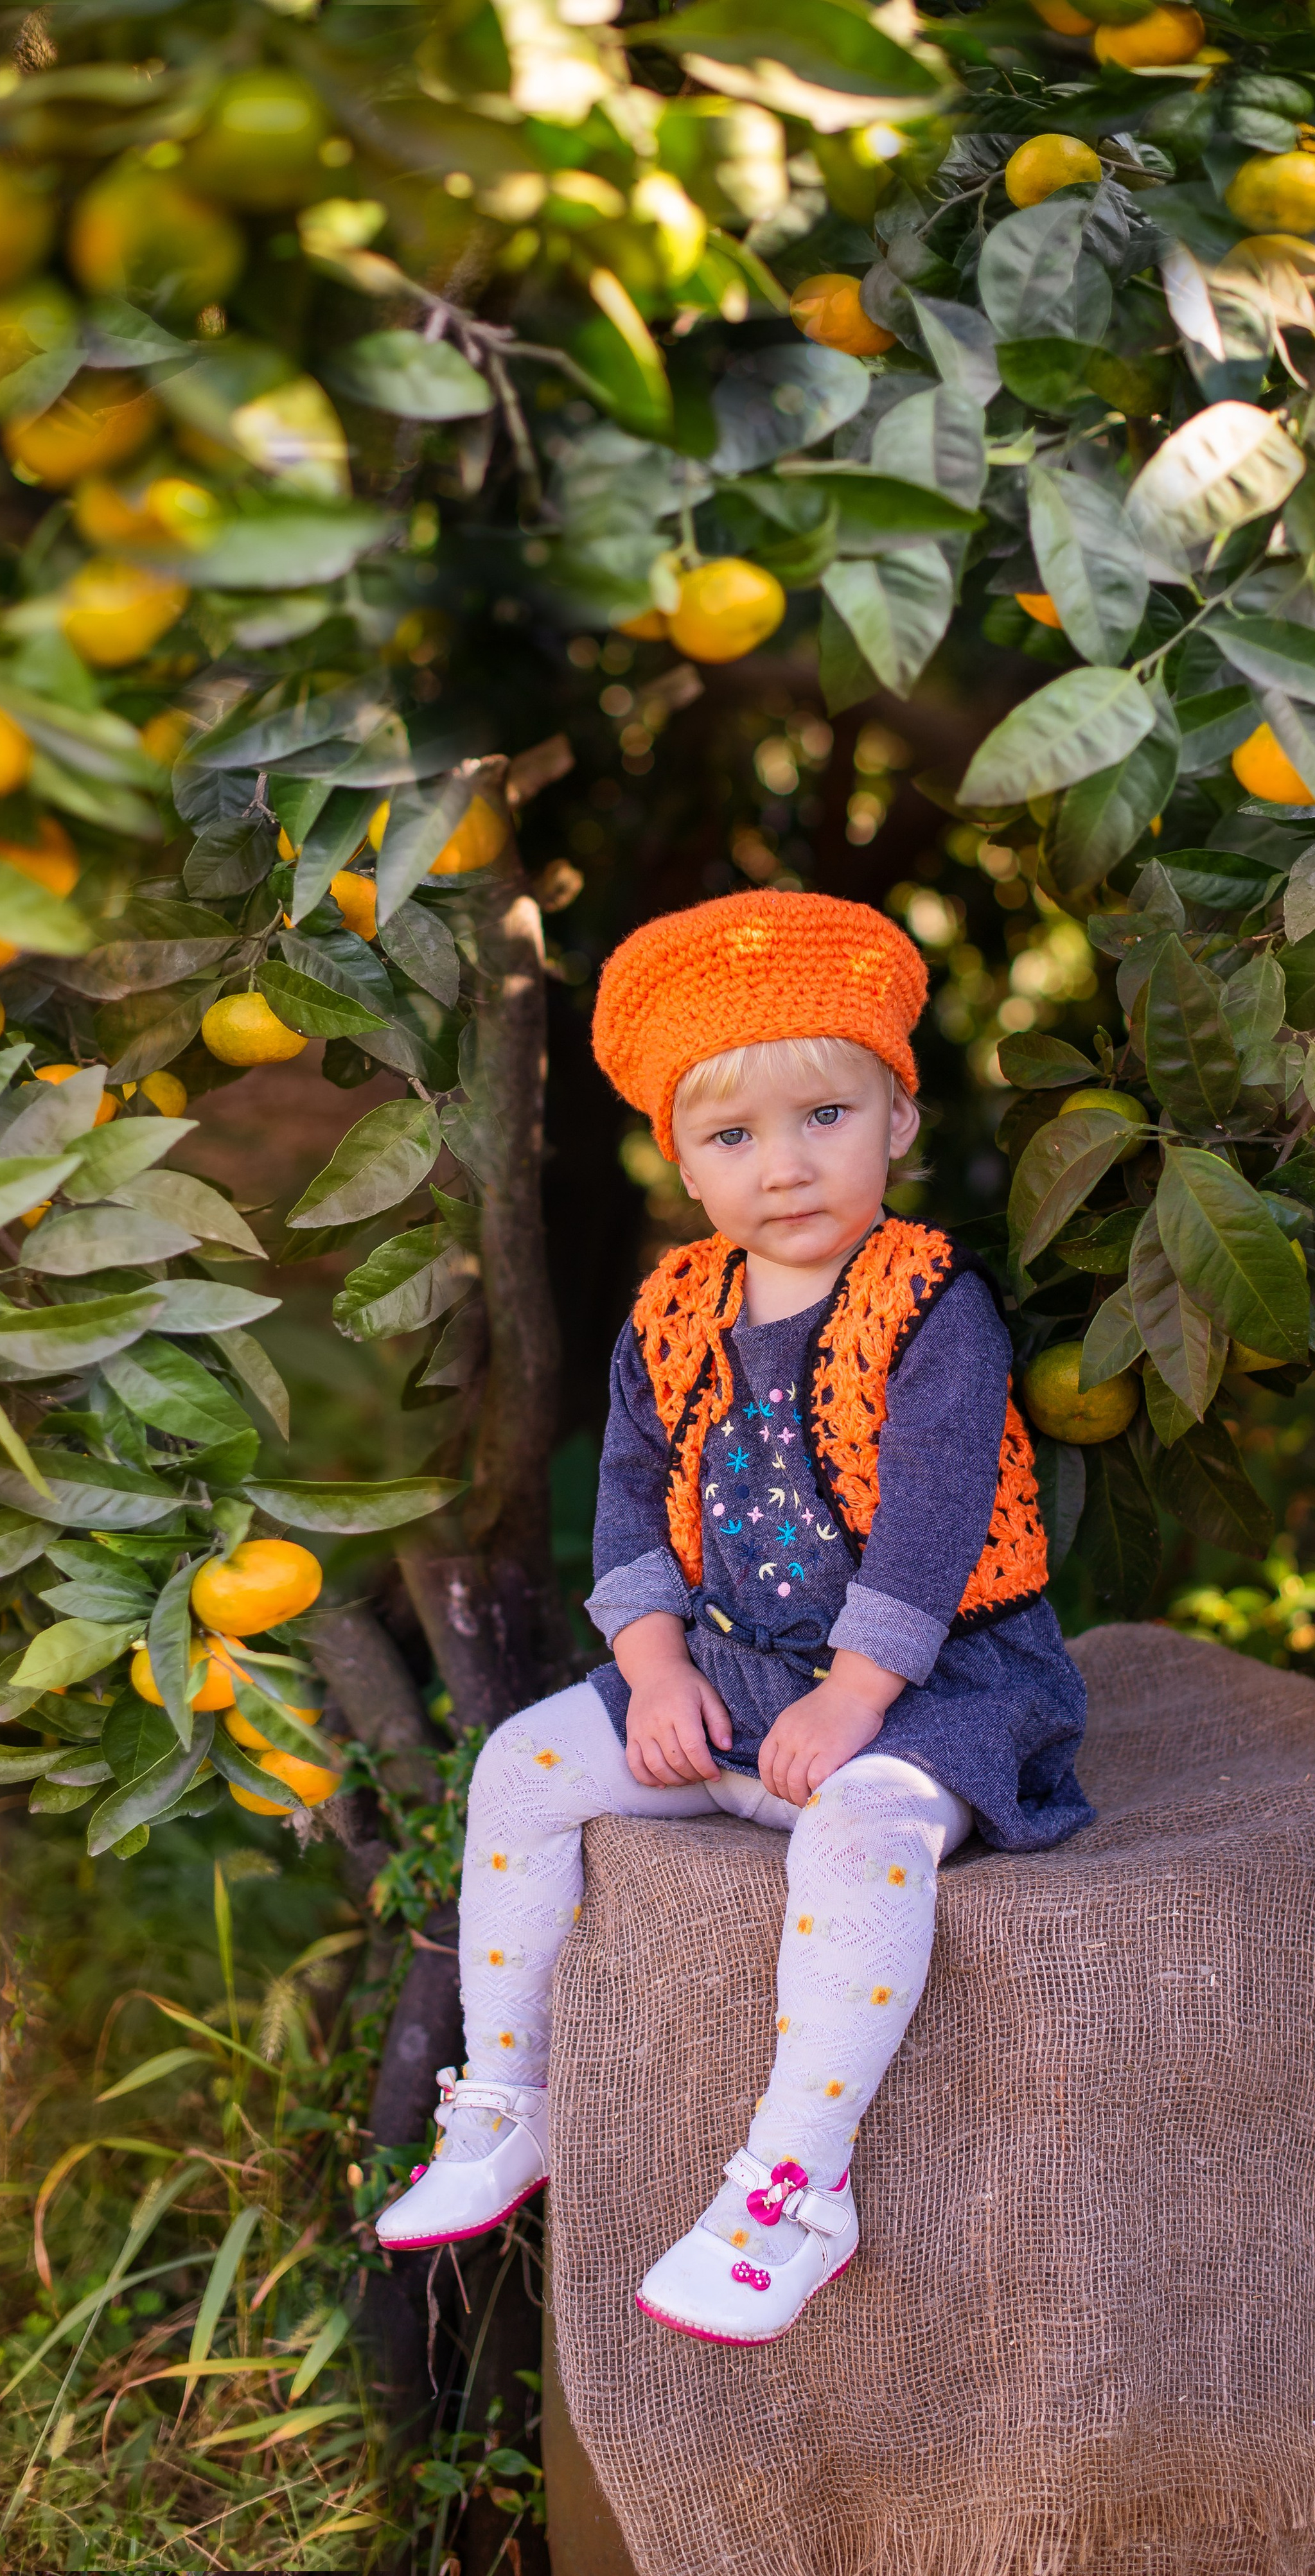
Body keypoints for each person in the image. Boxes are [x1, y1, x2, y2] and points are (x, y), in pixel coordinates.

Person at [375, 888, 1091, 2345]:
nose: (783, 1167)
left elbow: (934, 1517)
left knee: (863, 1827)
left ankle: (790, 2186)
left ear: (896, 1116)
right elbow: (630, 1501)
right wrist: (647, 1672)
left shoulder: (928, 1302)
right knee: (519, 1765)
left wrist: (852, 1698)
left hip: (939, 1680)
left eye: (824, 1114)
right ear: (677, 1156)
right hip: (728, 1665)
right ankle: (513, 2098)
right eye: (732, 1135)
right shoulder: (674, 1308)